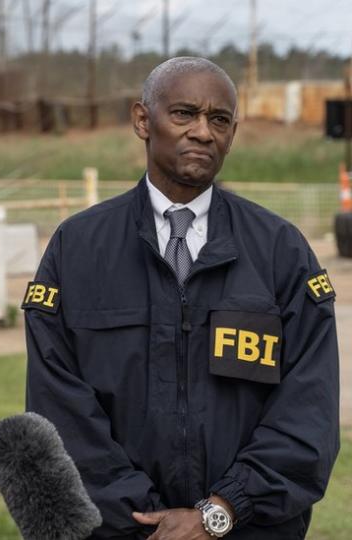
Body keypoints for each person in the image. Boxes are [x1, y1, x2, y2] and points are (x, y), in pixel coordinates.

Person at [23, 57, 339, 539]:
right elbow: (58, 408)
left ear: (233, 132)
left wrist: (222, 510)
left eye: (219, 120)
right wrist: (141, 520)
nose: (203, 132)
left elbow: (307, 408)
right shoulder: (77, 249)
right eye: (185, 114)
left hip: (250, 528)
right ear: (143, 120)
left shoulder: (280, 250)